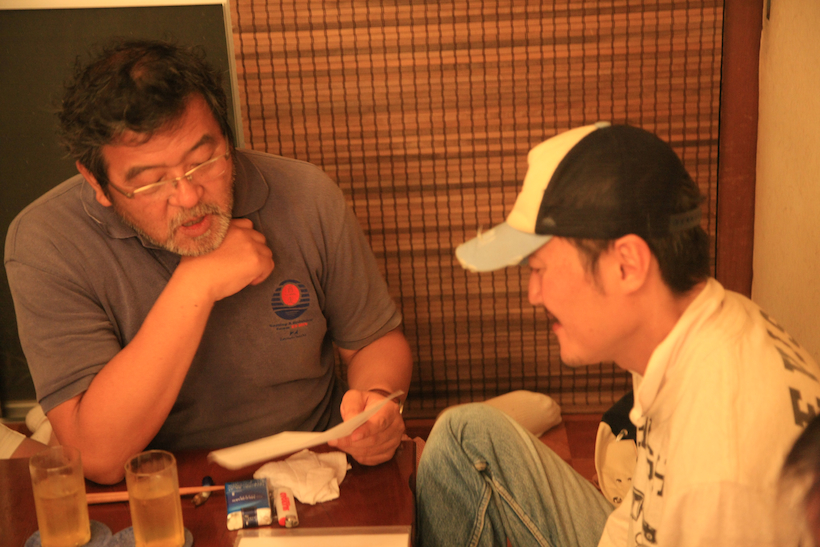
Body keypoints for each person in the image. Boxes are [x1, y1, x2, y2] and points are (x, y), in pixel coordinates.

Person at [4, 39, 412, 484]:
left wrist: (375, 402)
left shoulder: (306, 195)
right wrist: (195, 285)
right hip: (157, 488)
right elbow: (99, 456)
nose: (188, 196)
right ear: (96, 182)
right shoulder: (47, 243)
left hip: (316, 465)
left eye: (203, 161)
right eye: (151, 183)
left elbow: (373, 341)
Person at [416, 122, 820, 546]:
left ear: (627, 265)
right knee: (463, 436)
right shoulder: (688, 327)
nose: (533, 294)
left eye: (539, 269)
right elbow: (640, 507)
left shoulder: (721, 479)